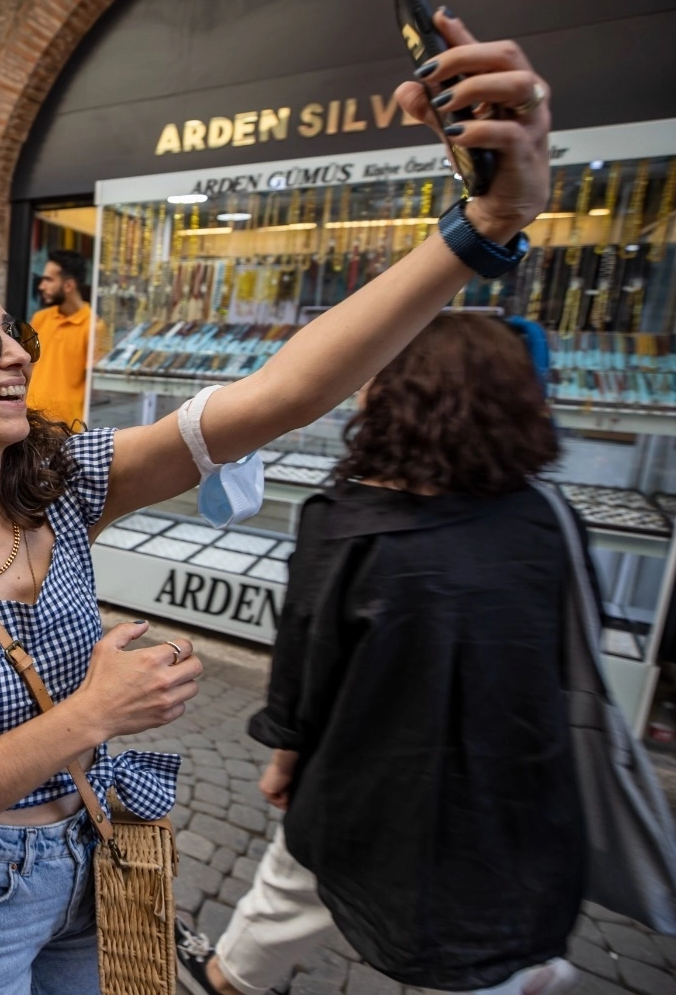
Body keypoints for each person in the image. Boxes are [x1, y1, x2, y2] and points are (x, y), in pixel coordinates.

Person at [0, 15, 554, 994]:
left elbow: (281, 394)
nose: (15, 352)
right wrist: (93, 712)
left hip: (94, 857)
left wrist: (482, 230)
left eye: (13, 331)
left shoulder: (66, 487)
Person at [174, 314, 584, 995]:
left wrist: (285, 762)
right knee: (485, 914)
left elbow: (306, 672)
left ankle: (227, 978)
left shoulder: (348, 525)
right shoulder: (547, 518)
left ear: (398, 396)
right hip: (512, 769)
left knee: (298, 874)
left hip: (366, 767)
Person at [24, 249, 110, 429]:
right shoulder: (40, 318)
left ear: (69, 286)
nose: (41, 286)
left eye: (49, 280)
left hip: (67, 429)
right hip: (28, 421)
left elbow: (96, 387)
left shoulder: (95, 327)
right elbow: (28, 366)